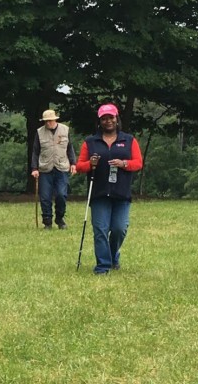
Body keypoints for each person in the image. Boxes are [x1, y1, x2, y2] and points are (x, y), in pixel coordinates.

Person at [75, 103, 143, 274]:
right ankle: (103, 266)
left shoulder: (128, 140)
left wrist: (124, 163)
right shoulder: (90, 142)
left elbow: (138, 163)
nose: (108, 121)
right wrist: (90, 164)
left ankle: (113, 256)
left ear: (116, 118)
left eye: (111, 117)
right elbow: (80, 166)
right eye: (104, 119)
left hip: (121, 192)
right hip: (99, 192)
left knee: (120, 229)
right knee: (100, 230)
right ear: (99, 121)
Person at [31, 109, 77, 230]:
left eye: (50, 121)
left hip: (62, 167)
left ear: (55, 119)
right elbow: (35, 151)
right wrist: (34, 168)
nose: (48, 123)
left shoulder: (65, 130)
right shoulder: (39, 132)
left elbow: (69, 147)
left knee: (61, 195)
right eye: (45, 121)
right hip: (45, 168)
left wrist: (73, 163)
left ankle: (60, 218)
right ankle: (47, 222)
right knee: (45, 197)